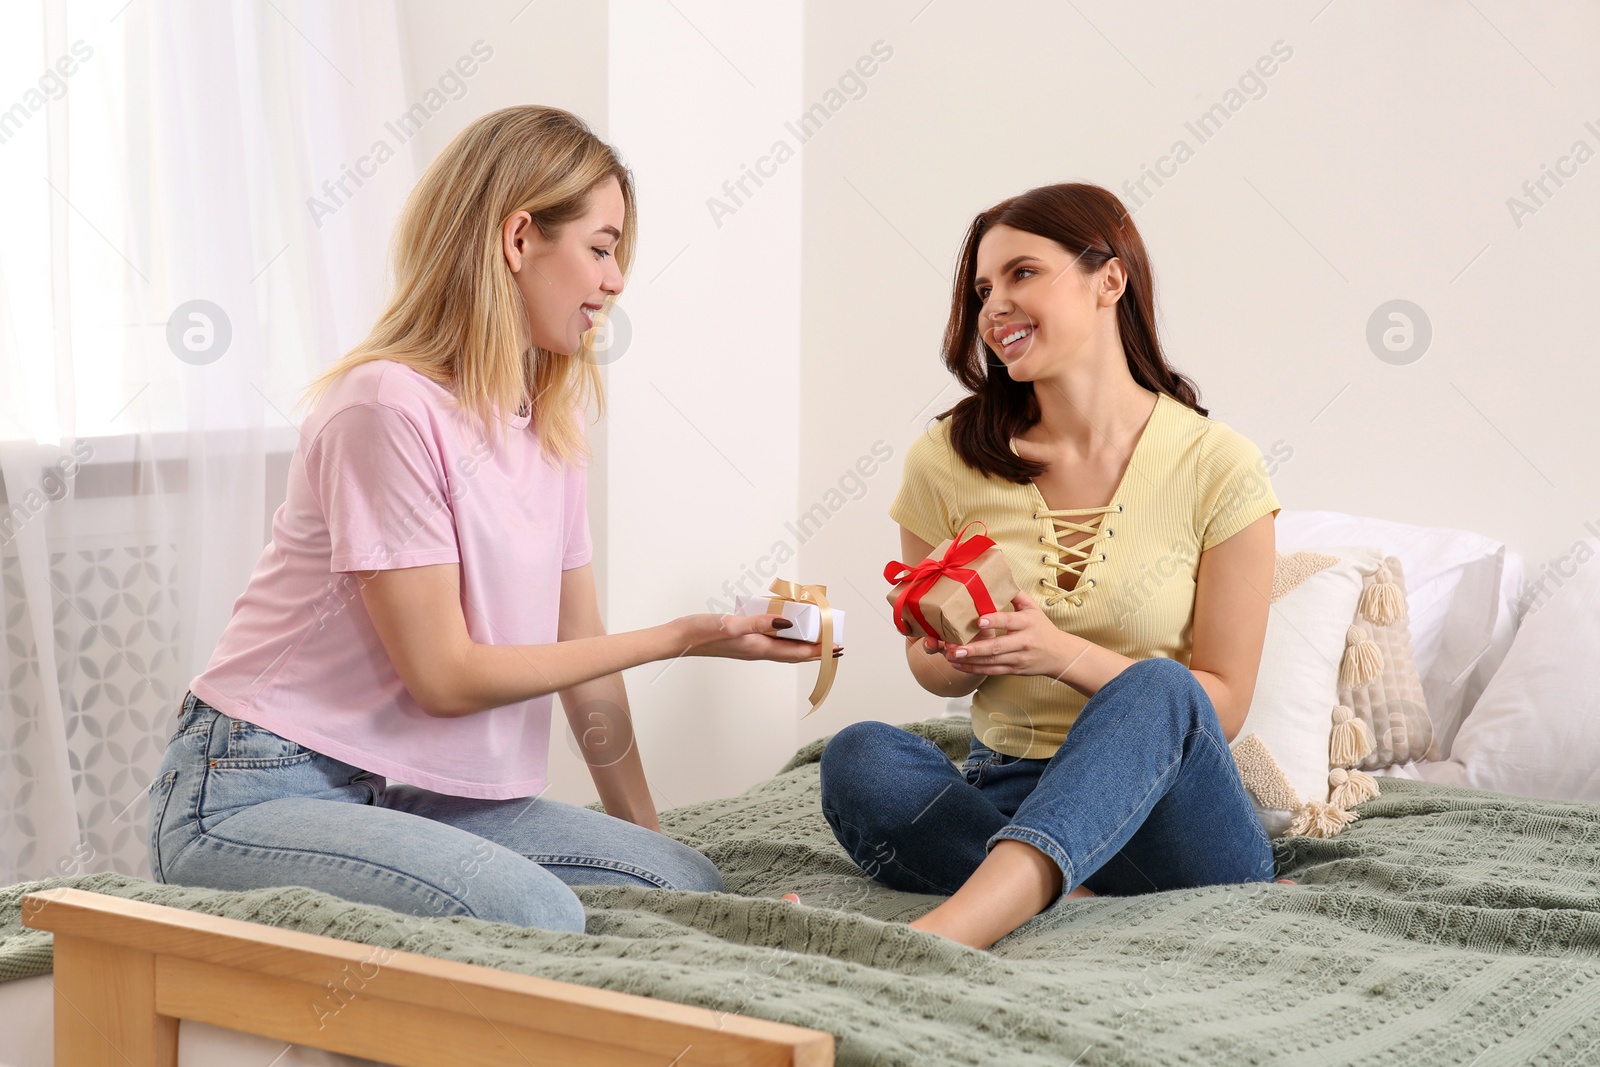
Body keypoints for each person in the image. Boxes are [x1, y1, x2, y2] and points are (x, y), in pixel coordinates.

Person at [148, 105, 838, 933]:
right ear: (518, 240)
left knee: (683, 877)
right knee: (528, 909)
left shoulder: (549, 420)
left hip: (403, 792)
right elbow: (444, 676)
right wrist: (686, 634)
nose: (616, 280)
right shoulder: (386, 407)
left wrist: (658, 859)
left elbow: (585, 667)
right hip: (251, 786)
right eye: (603, 247)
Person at [818, 182, 1291, 950]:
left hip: (1173, 814)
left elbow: (1223, 703)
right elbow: (930, 669)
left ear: (1110, 278)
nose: (994, 304)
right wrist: (953, 653)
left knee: (1161, 686)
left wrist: (1059, 654)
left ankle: (955, 926)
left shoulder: (1218, 466)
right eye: (982, 289)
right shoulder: (946, 459)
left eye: (1022, 273)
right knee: (860, 756)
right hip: (1004, 787)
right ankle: (1066, 886)